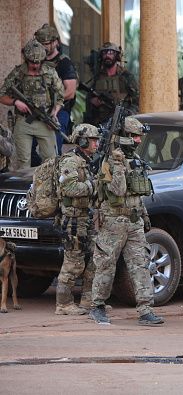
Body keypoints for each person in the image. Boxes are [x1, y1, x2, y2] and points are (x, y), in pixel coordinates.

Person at [88, 117, 164, 326]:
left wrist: (144, 215)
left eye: (140, 136)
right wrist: (119, 165)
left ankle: (145, 309)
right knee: (106, 264)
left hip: (133, 221)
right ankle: (98, 306)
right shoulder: (110, 161)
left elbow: (136, 194)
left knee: (140, 264)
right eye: (135, 136)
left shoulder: (134, 159)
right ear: (126, 137)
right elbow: (118, 190)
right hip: (112, 220)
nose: (139, 140)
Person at [55, 123, 100, 315]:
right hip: (73, 220)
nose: (96, 144)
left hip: (87, 217)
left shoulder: (87, 160)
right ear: (82, 141)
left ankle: (88, 300)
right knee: (74, 262)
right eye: (92, 140)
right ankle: (63, 304)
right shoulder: (70, 162)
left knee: (93, 260)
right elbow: (69, 189)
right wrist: (93, 186)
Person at [0, 39, 63, 169]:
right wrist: (15, 102)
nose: (35, 65)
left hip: (45, 121)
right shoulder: (18, 73)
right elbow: (2, 95)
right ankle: (25, 189)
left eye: (38, 62)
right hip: (24, 122)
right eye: (32, 62)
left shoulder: (49, 72)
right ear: (26, 59)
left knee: (51, 160)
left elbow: (60, 96)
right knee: (23, 161)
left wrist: (54, 112)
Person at [34, 23, 78, 157]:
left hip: (59, 112)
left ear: (55, 42)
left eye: (46, 43)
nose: (43, 46)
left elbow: (70, 92)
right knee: (29, 152)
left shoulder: (64, 63)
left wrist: (52, 104)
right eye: (40, 43)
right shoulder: (36, 61)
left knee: (54, 150)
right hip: (37, 111)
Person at [84, 42, 139, 126]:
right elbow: (89, 98)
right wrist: (93, 102)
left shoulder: (126, 76)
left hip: (121, 122)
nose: (107, 56)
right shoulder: (97, 77)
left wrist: (129, 113)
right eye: (104, 53)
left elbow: (137, 99)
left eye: (111, 53)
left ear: (116, 55)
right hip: (100, 122)